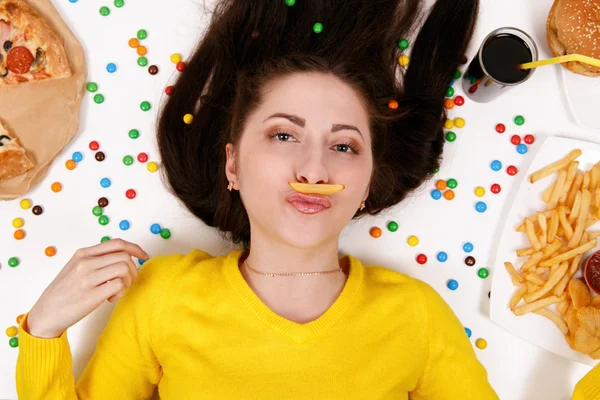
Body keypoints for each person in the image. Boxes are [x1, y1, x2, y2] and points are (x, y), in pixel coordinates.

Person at [14, 0, 506, 398]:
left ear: (366, 185)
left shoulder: (416, 316)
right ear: (233, 165)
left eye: (343, 146)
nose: (314, 170)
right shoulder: (161, 297)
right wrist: (42, 331)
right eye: (284, 136)